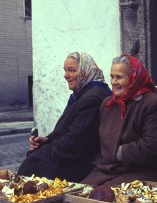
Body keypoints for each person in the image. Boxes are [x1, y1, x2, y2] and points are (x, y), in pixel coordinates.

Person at [17, 52, 112, 182]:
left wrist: (42, 152)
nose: (66, 75)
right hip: (76, 158)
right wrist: (47, 141)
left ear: (85, 71)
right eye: (65, 70)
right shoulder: (83, 94)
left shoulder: (91, 98)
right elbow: (70, 131)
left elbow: (73, 145)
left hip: (82, 164)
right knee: (32, 162)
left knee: (32, 165)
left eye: (71, 70)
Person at [82, 53, 157, 187]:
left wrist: (118, 153)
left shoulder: (153, 103)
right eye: (112, 76)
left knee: (104, 199)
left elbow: (153, 147)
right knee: (75, 195)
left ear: (133, 78)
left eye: (119, 77)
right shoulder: (108, 104)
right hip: (107, 170)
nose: (113, 82)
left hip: (142, 172)